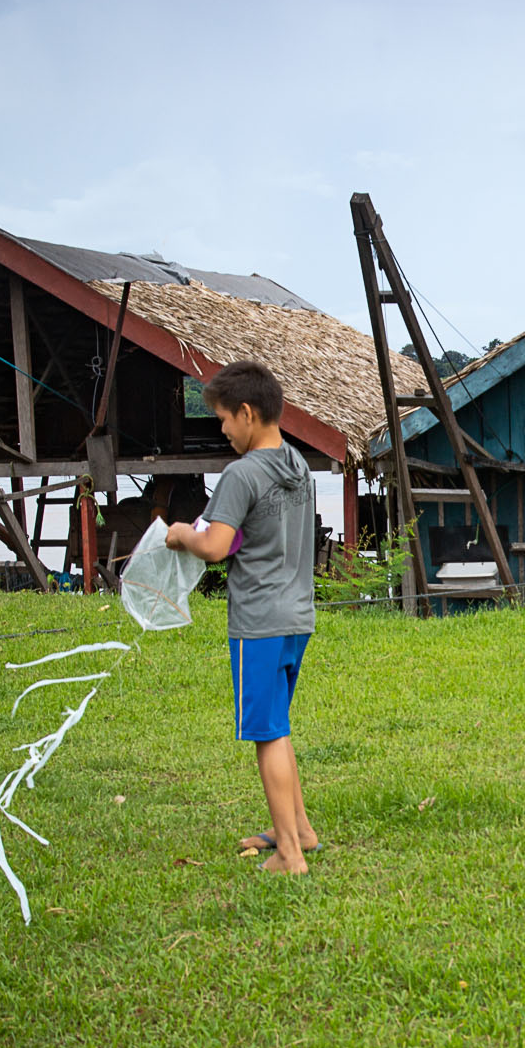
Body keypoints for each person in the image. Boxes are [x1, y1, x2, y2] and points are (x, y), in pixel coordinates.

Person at [165, 360, 319, 873]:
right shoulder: (297, 465)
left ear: (248, 413)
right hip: (298, 615)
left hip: (259, 620)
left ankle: (290, 857)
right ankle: (295, 828)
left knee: (265, 733)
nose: (223, 430)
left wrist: (178, 533)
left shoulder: (241, 473)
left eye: (224, 419)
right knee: (279, 722)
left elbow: (214, 547)